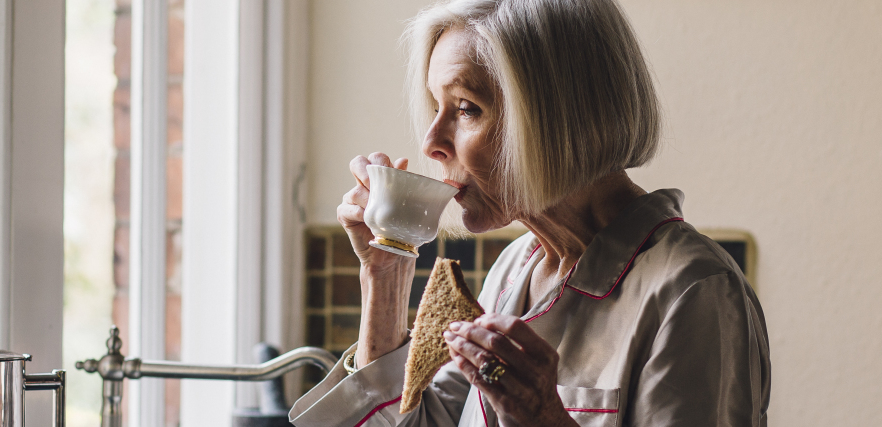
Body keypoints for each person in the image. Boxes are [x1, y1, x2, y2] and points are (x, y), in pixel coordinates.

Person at [289, 0, 770, 426]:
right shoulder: (514, 269)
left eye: (466, 108)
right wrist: (384, 274)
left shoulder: (693, 291)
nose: (431, 142)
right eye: (437, 106)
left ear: (560, 119)